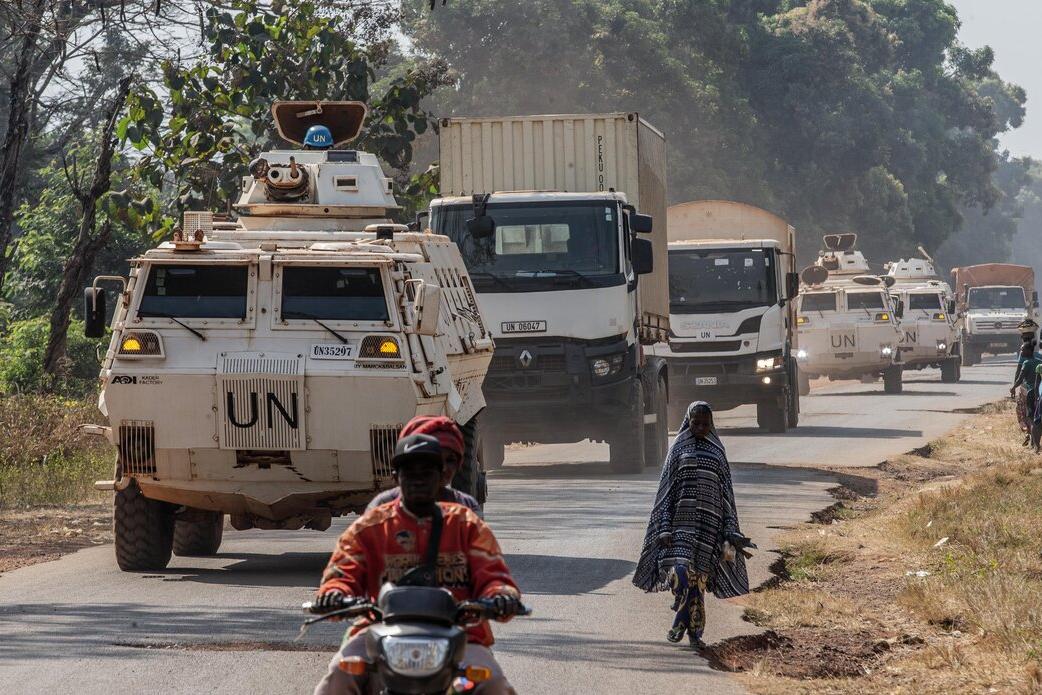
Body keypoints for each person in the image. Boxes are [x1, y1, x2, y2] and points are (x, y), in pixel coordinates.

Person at [312, 433, 522, 695]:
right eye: (409, 471)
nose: (418, 479)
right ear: (396, 476)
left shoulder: (467, 525)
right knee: (337, 679)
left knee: (494, 685)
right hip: (378, 634)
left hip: (460, 636)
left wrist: (501, 596)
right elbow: (342, 571)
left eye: (427, 471)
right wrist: (335, 593)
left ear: (441, 475)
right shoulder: (369, 527)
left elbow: (494, 574)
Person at [632, 401, 753, 649]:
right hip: (679, 527)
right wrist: (664, 527)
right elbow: (666, 493)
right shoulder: (678, 449)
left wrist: (731, 531)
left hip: (710, 529)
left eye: (705, 424)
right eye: (695, 423)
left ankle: (691, 633)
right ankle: (681, 621)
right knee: (681, 574)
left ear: (711, 425)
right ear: (688, 421)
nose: (700, 427)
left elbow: (726, 495)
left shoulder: (718, 452)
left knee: (698, 584)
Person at [366, 415, 480, 514]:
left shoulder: (466, 508)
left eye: (450, 460)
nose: (444, 468)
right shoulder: (381, 510)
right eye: (435, 460)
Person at [1011, 341, 1041, 438]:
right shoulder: (1039, 362)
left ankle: (1032, 439)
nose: (1021, 351)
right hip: (1039, 392)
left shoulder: (1026, 363)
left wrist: (1013, 387)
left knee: (1028, 416)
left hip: (1029, 392)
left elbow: (1020, 378)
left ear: (1028, 351)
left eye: (1022, 349)